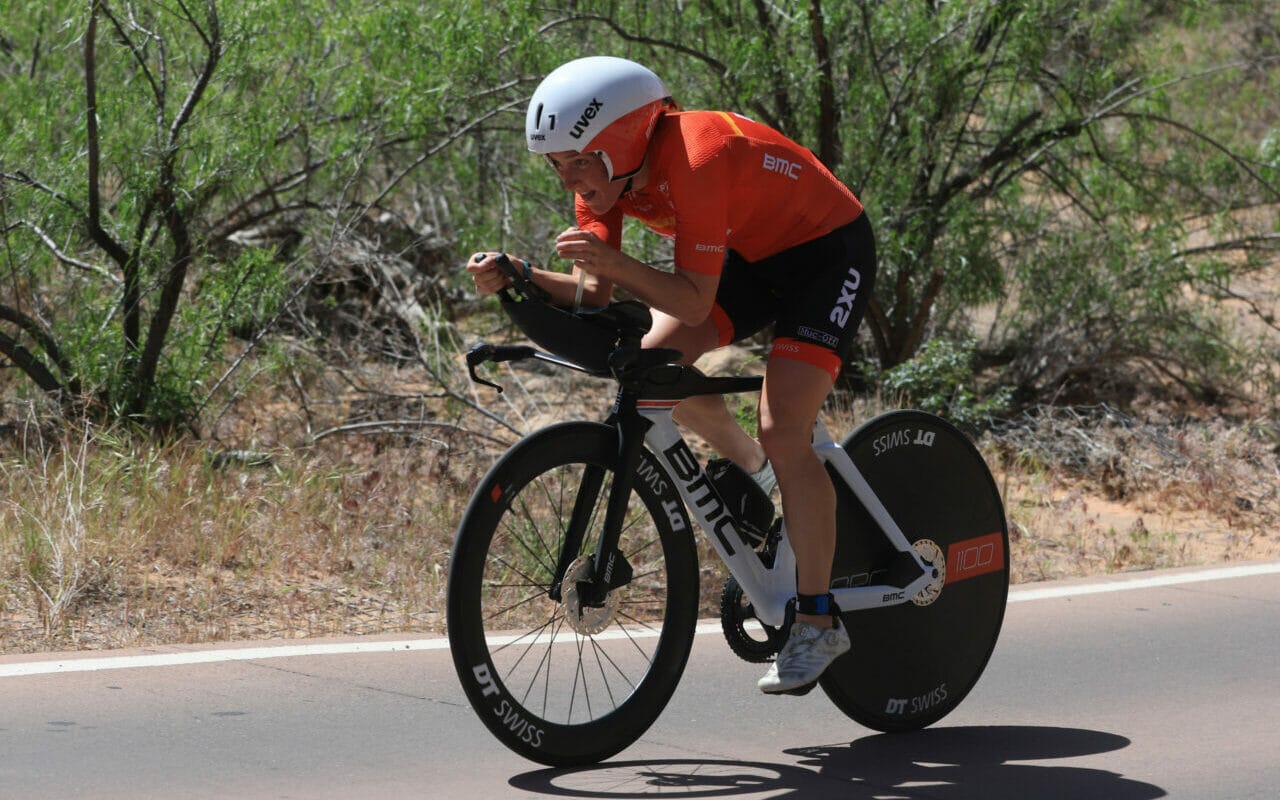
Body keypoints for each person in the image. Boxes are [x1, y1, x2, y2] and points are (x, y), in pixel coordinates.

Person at [467, 56, 876, 694]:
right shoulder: (605, 174)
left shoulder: (699, 156)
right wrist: (521, 274)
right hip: (754, 254)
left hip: (827, 253)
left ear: (626, 139)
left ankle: (818, 622)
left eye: (579, 161)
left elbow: (688, 299)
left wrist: (612, 259)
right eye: (557, 165)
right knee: (652, 368)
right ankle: (759, 473)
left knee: (784, 423)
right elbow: (594, 293)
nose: (570, 179)